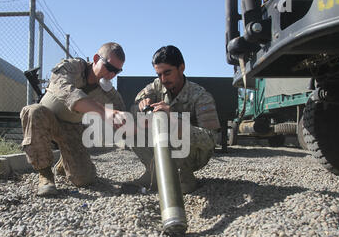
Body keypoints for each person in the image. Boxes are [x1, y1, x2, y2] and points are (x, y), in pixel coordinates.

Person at [20, 42, 127, 196]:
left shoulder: (107, 91)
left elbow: (122, 114)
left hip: (72, 128)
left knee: (84, 179)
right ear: (96, 58)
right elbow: (67, 91)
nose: (111, 75)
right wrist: (104, 112)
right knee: (33, 111)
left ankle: (64, 162)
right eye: (109, 68)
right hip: (47, 119)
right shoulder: (72, 67)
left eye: (116, 71)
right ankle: (45, 174)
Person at [130, 45, 221, 194]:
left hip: (193, 154)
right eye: (159, 74)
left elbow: (211, 139)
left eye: (167, 72)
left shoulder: (200, 96)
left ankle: (183, 176)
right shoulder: (157, 85)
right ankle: (153, 171)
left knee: (173, 132)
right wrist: (141, 105)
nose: (163, 79)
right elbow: (136, 103)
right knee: (130, 126)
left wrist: (174, 121)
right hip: (166, 145)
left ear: (181, 68)